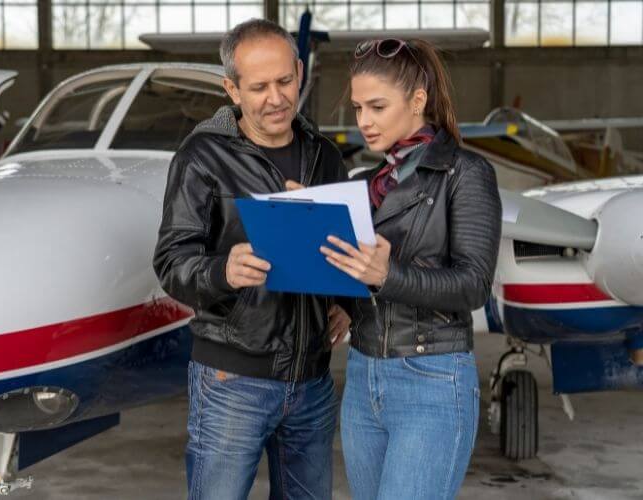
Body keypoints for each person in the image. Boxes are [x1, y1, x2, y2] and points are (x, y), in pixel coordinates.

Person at [153, 18, 351, 500]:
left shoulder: (324, 156)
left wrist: (347, 303)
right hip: (230, 381)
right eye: (259, 86)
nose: (276, 97)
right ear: (232, 89)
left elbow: (343, 250)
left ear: (300, 72)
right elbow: (171, 262)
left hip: (312, 381)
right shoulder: (202, 157)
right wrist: (223, 271)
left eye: (285, 81)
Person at [319, 38, 502, 499]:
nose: (364, 121)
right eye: (359, 108)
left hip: (433, 379)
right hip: (362, 376)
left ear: (418, 100)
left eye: (377, 107)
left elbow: (474, 285)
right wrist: (344, 302)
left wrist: (388, 275)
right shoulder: (364, 184)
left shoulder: (466, 174)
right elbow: (360, 272)